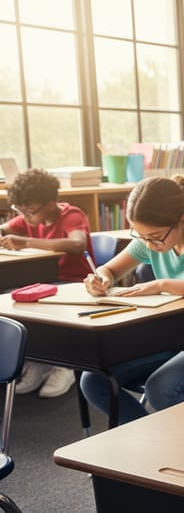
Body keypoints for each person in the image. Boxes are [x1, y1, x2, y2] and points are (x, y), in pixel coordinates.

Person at [80, 176, 184, 425]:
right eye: (142, 236)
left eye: (154, 237)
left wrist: (163, 285)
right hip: (170, 339)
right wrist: (100, 278)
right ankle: (148, 435)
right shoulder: (151, 240)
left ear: (182, 220)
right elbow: (109, 270)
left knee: (160, 387)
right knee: (94, 380)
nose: (148, 244)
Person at [1, 168, 95, 398]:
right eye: (20, 210)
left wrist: (25, 242)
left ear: (51, 204)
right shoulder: (29, 217)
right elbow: (5, 229)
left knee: (34, 302)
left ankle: (65, 365)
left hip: (73, 283)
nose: (25, 216)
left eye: (30, 211)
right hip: (42, 282)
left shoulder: (72, 215)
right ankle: (38, 361)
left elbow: (78, 244)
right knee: (13, 297)